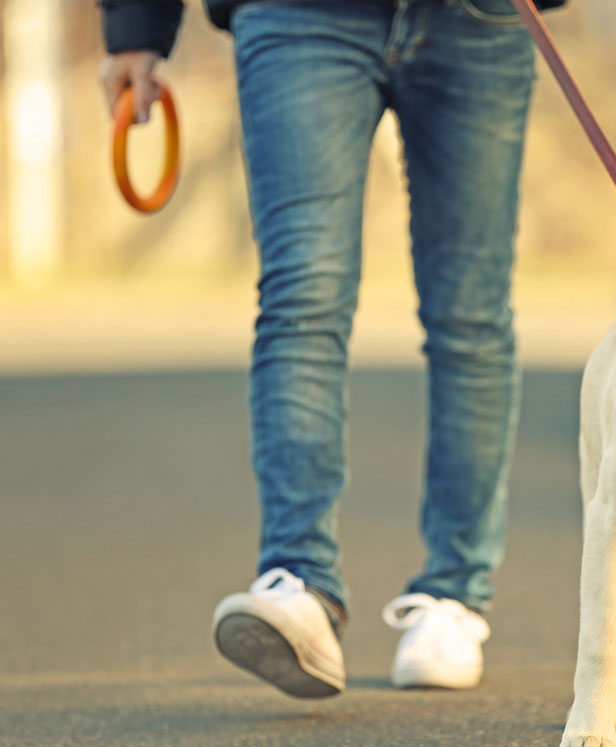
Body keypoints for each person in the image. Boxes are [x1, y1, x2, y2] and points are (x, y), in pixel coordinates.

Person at [98, 0, 564, 696]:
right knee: (301, 295)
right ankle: (299, 584)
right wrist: (138, 27)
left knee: (470, 312)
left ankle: (454, 599)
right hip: (298, 14)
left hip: (477, 16)